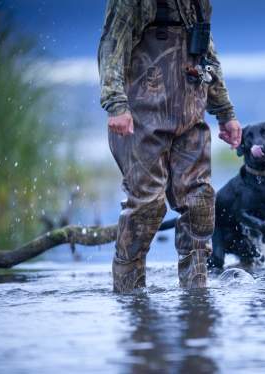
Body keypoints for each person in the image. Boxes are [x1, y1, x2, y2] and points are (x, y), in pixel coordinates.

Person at [98, 0, 241, 292]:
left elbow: (206, 53)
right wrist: (115, 104)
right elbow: (112, 45)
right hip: (141, 118)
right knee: (146, 206)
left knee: (200, 202)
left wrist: (225, 113)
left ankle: (196, 294)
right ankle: (129, 294)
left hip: (191, 116)